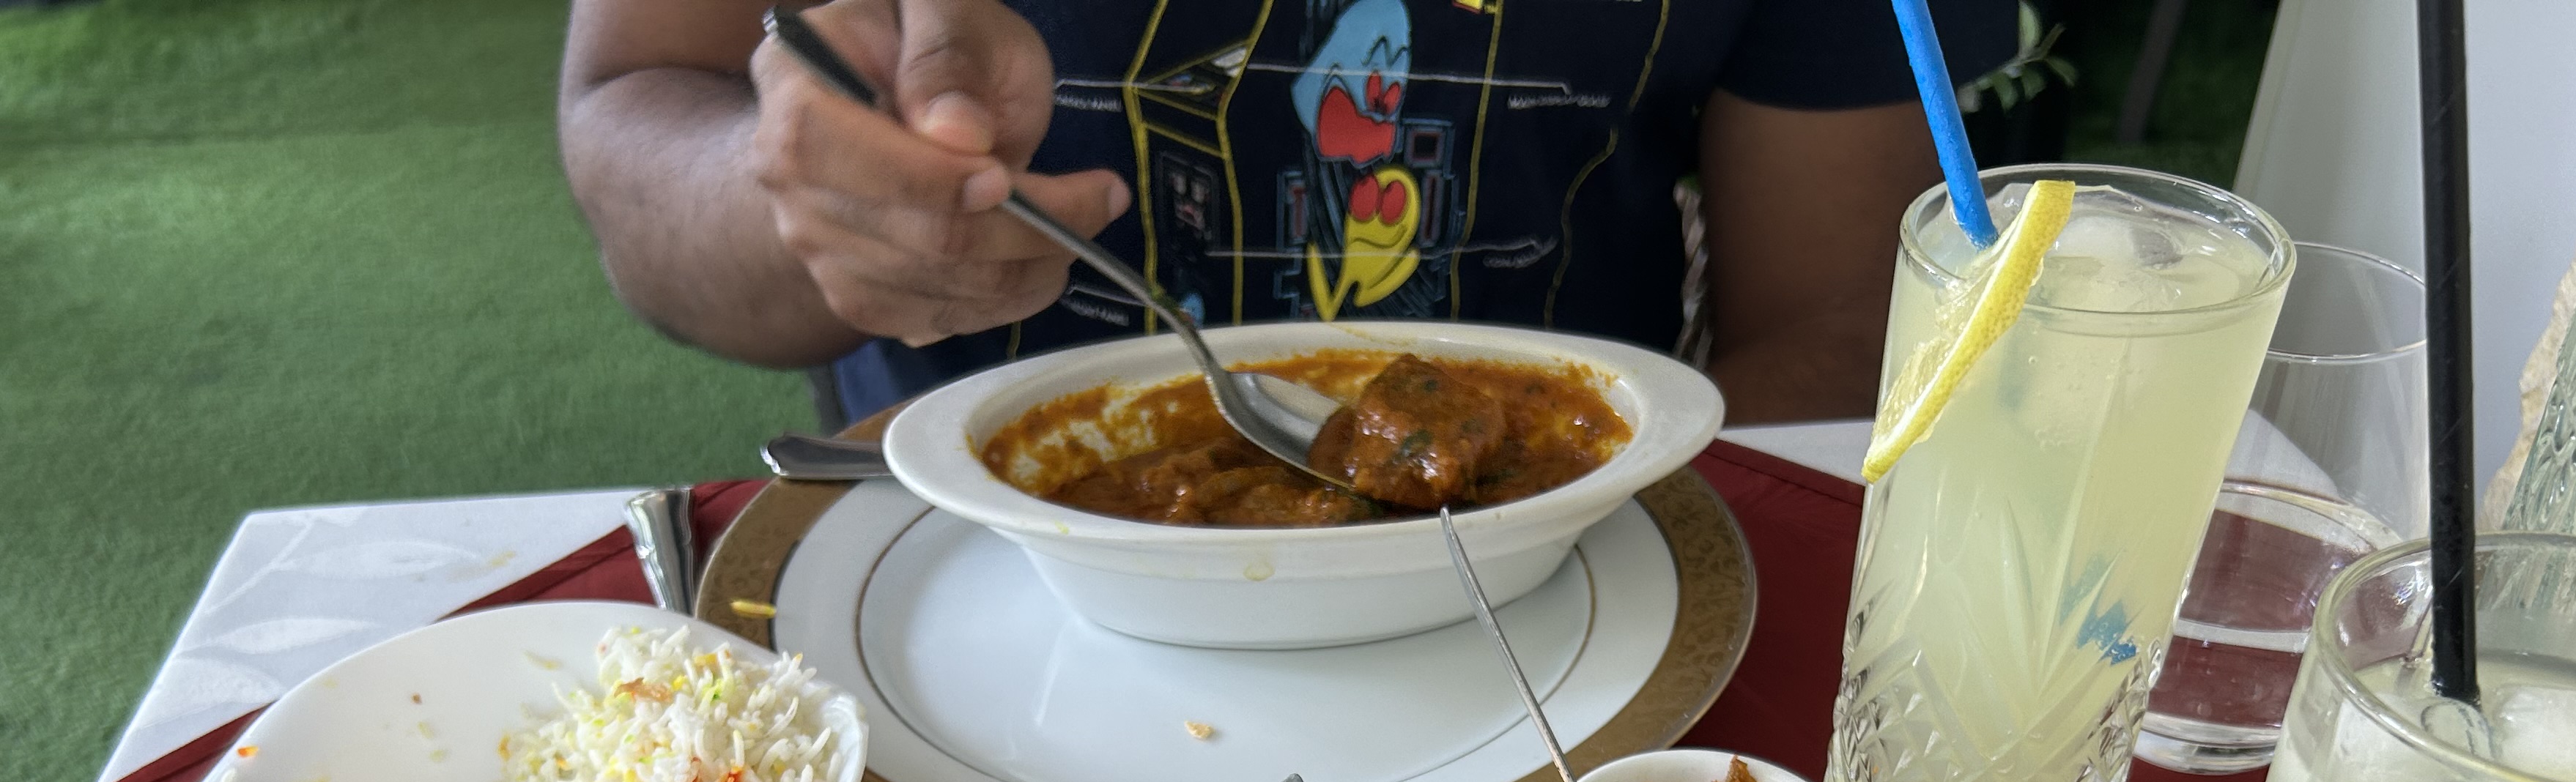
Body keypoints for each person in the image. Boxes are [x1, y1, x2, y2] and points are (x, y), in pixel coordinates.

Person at [557, 0, 2016, 428]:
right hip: (947, 582)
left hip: (1576, 590)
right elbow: (634, 101)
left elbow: (1835, 325)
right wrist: (806, 210)